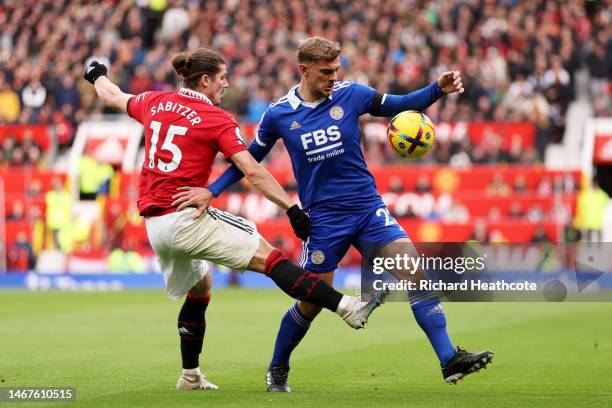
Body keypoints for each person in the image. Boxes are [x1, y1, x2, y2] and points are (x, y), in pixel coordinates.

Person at [83, 48, 384, 391]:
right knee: (270, 258)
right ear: (206, 80)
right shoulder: (216, 119)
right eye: (223, 77)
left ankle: (190, 376)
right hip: (187, 217)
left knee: (201, 289)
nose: (227, 83)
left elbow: (111, 96)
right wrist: (291, 208)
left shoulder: (154, 101)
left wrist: (97, 73)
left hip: (156, 225)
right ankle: (346, 306)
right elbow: (252, 171)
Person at [206, 37, 493, 391]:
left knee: (414, 272)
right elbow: (248, 160)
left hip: (367, 208)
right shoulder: (279, 115)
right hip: (323, 220)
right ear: (304, 70)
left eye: (336, 70)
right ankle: (278, 367)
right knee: (310, 302)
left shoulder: (351, 94)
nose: (333, 77)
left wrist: (438, 89)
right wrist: (212, 190)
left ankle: (449, 358)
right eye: (326, 72)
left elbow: (400, 104)